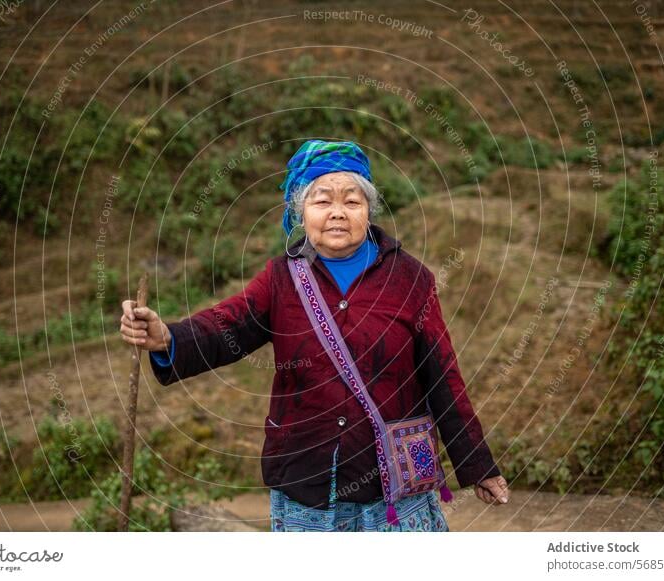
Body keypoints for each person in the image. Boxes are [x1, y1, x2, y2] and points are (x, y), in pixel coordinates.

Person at [120, 139, 509, 531]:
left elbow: (442, 374)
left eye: (352, 202)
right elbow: (227, 327)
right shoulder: (280, 280)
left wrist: (477, 464)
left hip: (395, 486)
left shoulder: (410, 279)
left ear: (368, 211)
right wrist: (167, 338)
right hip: (307, 482)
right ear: (300, 212)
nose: (337, 213)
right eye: (322, 201)